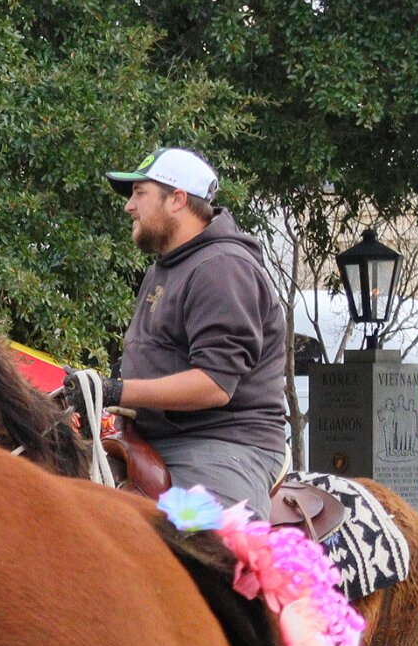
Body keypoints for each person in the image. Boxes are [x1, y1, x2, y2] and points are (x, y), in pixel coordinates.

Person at [102, 148, 287, 509]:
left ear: (177, 199)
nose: (129, 207)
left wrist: (116, 391)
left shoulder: (222, 267)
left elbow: (214, 385)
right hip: (153, 440)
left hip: (224, 446)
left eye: (140, 193)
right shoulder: (165, 269)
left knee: (204, 538)